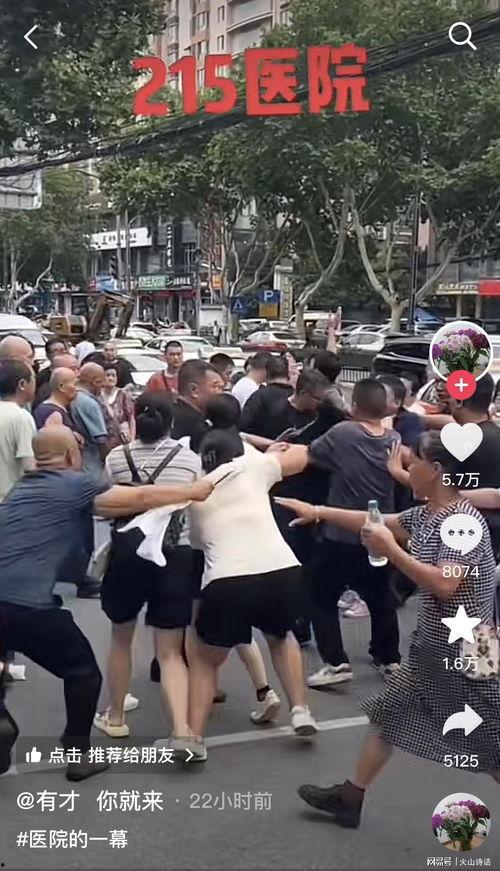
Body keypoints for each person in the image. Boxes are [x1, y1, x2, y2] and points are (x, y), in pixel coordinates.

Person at [277, 431, 500, 828]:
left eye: (413, 462)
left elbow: (445, 584)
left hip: (468, 651)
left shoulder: (462, 523)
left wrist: (390, 550)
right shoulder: (430, 514)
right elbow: (378, 522)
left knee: (490, 744)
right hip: (438, 648)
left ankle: (349, 797)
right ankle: (350, 797)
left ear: (436, 470)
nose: (405, 470)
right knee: (389, 714)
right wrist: (319, 511)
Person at [0, 426, 213, 782]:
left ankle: (2, 725)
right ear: (71, 455)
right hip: (30, 606)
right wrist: (192, 490)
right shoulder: (76, 483)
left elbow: (113, 504)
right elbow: (139, 497)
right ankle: (78, 753)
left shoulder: (19, 489)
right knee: (83, 673)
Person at [186, 432, 318, 760]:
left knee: (205, 659)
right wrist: (268, 453)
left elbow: (199, 543)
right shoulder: (253, 467)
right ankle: (300, 710)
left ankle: (193, 738)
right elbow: (303, 455)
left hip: (227, 578)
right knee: (281, 637)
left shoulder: (197, 493)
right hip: (281, 568)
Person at [95, 392, 202, 741]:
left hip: (128, 553)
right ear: (171, 422)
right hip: (175, 554)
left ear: (135, 419)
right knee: (170, 652)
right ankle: (182, 730)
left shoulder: (116, 458)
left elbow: (107, 501)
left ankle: (115, 716)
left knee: (121, 638)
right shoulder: (188, 459)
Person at [298, 379, 402, 686]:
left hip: (340, 533)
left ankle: (335, 662)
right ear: (384, 408)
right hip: (379, 533)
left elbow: (313, 453)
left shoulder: (343, 433)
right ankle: (389, 658)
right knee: (381, 598)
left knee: (320, 595)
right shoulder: (394, 438)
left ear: (354, 406)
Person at [0, 362, 36, 501]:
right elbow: (29, 465)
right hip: (10, 500)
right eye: (33, 379)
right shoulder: (21, 417)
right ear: (22, 384)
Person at [171, 360, 224, 453]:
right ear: (193, 390)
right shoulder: (197, 428)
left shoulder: (166, 415)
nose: (221, 394)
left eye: (222, 388)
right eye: (216, 387)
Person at [71, 362, 108, 484]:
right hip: (91, 461)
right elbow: (101, 439)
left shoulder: (73, 397)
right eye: (101, 383)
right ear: (95, 382)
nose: (103, 387)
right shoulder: (89, 403)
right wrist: (107, 459)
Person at [240, 356, 293, 439]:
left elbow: (243, 426)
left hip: (262, 445)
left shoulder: (259, 396)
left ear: (266, 373)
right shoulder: (297, 396)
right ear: (288, 374)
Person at [102, 362, 135, 444]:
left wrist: (132, 438)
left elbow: (131, 418)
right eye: (107, 375)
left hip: (122, 438)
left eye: (113, 375)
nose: (110, 378)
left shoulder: (123, 395)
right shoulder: (97, 395)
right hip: (104, 439)